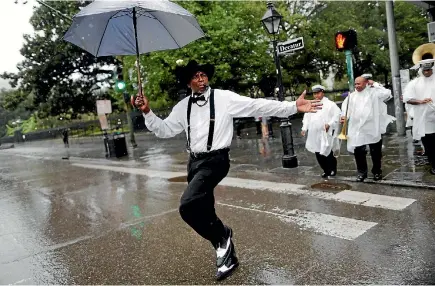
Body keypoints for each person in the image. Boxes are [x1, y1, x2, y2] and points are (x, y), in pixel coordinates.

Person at [133, 60, 321, 281]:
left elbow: (256, 105)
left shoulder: (224, 98)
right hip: (194, 162)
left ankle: (222, 237)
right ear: (188, 82)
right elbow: (164, 130)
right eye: (195, 76)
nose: (201, 79)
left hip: (216, 160)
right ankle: (226, 250)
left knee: (188, 206)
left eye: (203, 75)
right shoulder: (183, 106)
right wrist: (147, 111)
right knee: (204, 208)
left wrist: (291, 107)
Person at [340, 76, 395, 182]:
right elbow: (345, 108)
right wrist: (343, 116)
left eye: (359, 84)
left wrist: (374, 84)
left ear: (366, 83)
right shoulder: (352, 96)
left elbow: (387, 93)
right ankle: (361, 173)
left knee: (376, 152)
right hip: (357, 128)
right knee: (359, 152)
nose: (357, 86)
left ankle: (377, 172)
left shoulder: (374, 93)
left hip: (372, 127)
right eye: (355, 84)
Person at [403, 59, 435, 175]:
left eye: (429, 69)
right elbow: (407, 99)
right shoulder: (414, 83)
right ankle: (433, 164)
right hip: (424, 119)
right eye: (425, 70)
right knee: (429, 144)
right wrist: (421, 101)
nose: (427, 72)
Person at [301, 85, 341, 178]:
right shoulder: (312, 104)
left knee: (327, 151)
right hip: (314, 132)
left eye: (318, 93)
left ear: (322, 92)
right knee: (318, 152)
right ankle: (325, 170)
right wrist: (304, 128)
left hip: (325, 132)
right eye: (314, 93)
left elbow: (337, 115)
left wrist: (329, 124)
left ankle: (332, 169)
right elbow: (307, 117)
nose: (316, 95)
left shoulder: (330, 104)